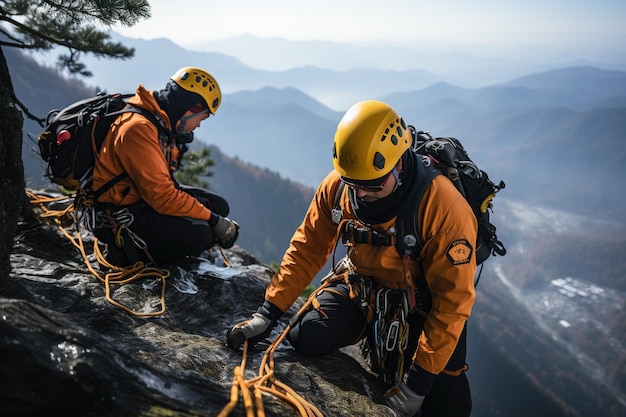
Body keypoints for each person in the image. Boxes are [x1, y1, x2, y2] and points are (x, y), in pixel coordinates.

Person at [226, 100, 477, 417]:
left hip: (424, 308)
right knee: (308, 338)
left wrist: (419, 384)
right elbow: (308, 246)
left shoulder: (443, 208)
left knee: (445, 406)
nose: (360, 194)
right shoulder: (338, 187)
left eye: (371, 185)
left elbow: (452, 302)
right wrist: (268, 312)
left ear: (398, 164)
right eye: (353, 184)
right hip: (362, 289)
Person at [90, 66, 239, 267]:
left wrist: (213, 215)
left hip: (141, 199)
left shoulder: (161, 124)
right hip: (121, 215)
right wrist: (213, 220)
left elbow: (163, 187)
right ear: (190, 109)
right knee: (201, 234)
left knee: (219, 206)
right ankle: (124, 251)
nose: (199, 125)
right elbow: (162, 197)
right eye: (201, 118)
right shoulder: (138, 129)